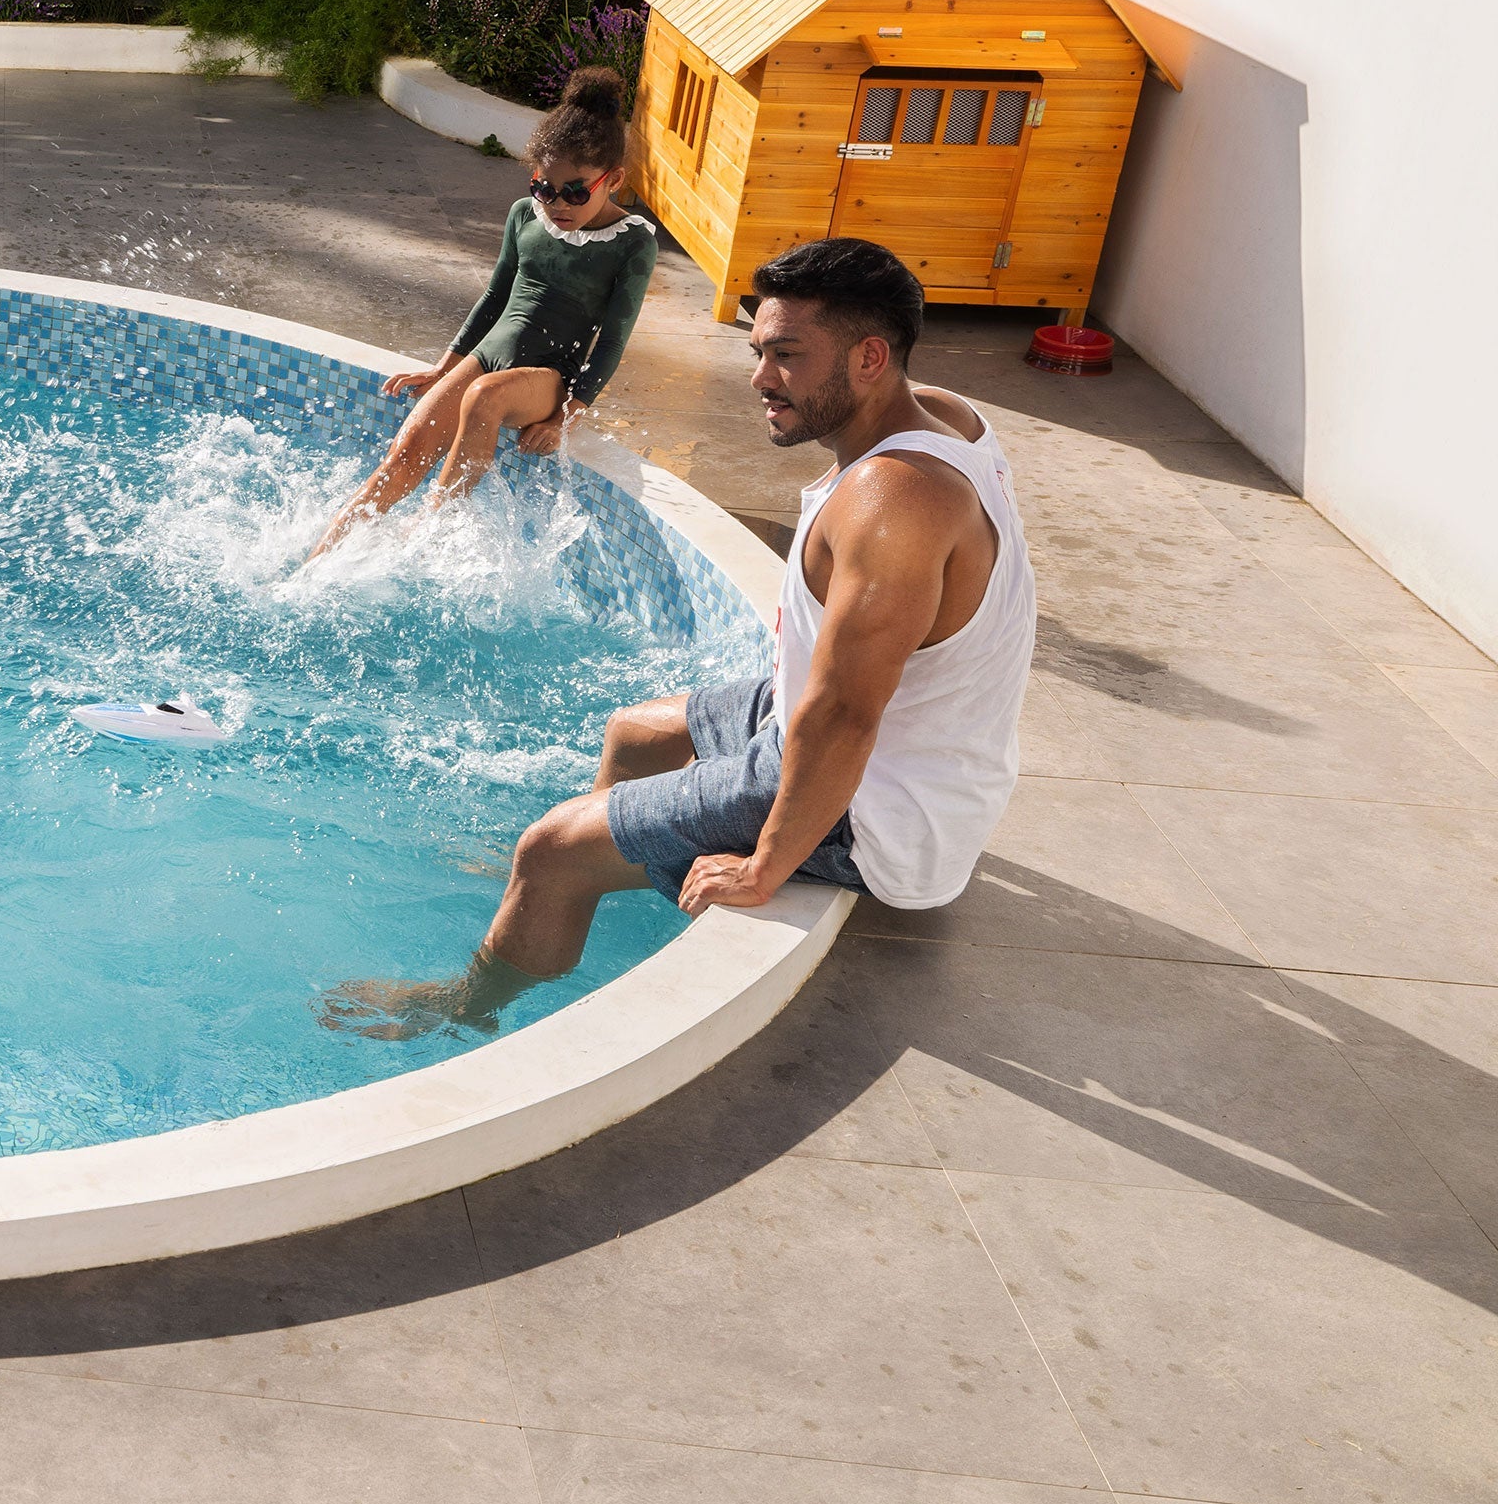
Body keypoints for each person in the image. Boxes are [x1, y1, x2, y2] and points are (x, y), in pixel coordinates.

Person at [321, 235, 1037, 1040]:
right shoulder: (946, 418)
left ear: (871, 358)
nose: (760, 378)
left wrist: (766, 866)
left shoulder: (892, 501)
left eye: (788, 356)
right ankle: (585, 877)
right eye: (759, 351)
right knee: (636, 733)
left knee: (547, 848)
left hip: (876, 808)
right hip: (878, 734)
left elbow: (844, 717)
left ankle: (467, 1007)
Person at [314, 68, 657, 553]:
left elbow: (614, 339)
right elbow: (495, 298)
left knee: (484, 396)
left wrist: (567, 416)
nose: (558, 203)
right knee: (402, 457)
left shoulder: (632, 242)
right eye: (544, 188)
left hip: (545, 377)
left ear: (614, 179)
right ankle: (315, 563)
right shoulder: (523, 216)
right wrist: (443, 367)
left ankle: (426, 532)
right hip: (485, 360)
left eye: (576, 191)